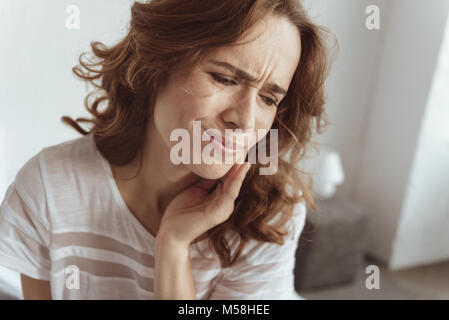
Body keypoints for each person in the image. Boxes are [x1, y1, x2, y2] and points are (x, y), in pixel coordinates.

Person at [0, 0, 333, 299]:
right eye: (224, 78)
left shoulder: (269, 212)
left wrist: (173, 247)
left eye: (268, 98)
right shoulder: (49, 189)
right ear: (157, 66)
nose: (245, 120)